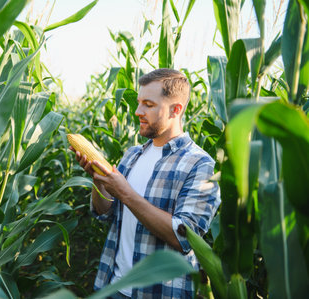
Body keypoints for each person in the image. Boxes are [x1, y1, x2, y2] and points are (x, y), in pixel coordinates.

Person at [71, 68, 221, 298]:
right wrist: (98, 180)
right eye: (139, 102)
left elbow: (184, 237)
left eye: (148, 105)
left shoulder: (201, 165)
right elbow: (104, 212)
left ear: (175, 110)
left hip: (159, 293)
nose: (138, 111)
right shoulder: (132, 155)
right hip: (114, 286)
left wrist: (125, 193)